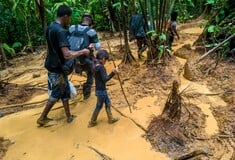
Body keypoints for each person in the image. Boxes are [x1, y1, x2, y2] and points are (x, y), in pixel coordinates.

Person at [37, 5, 90, 126]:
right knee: (56, 93)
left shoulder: (51, 27)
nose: (70, 21)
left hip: (54, 64)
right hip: (57, 68)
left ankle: (69, 116)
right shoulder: (60, 31)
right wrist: (83, 51)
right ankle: (42, 118)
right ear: (65, 16)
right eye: (69, 18)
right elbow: (66, 54)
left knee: (65, 90)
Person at [69, 13, 101, 100]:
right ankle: (86, 92)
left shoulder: (72, 28)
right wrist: (92, 44)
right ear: (90, 21)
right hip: (84, 59)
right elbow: (98, 47)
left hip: (71, 58)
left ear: (82, 19)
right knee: (91, 73)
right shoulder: (91, 31)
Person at [88, 50, 119, 128]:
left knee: (107, 103)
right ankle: (92, 121)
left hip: (99, 90)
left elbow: (91, 57)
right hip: (101, 91)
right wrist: (113, 72)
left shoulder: (94, 64)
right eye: (106, 60)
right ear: (103, 58)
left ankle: (110, 118)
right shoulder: (101, 68)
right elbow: (105, 79)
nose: (106, 61)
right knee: (99, 106)